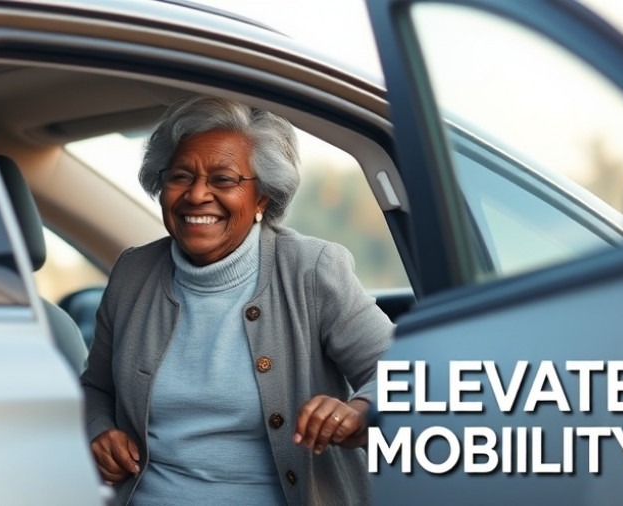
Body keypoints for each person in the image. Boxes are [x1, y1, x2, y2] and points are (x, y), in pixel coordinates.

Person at [81, 96, 394, 505]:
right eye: (180, 176)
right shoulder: (133, 273)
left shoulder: (311, 269)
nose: (196, 195)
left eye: (223, 180)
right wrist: (99, 431)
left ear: (262, 197)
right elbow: (95, 388)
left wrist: (358, 411)